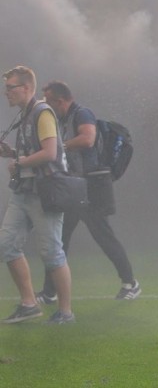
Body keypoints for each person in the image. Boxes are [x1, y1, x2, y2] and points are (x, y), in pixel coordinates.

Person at [36, 81, 140, 302]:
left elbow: (88, 138)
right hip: (76, 187)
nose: (46, 104)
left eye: (48, 100)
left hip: (92, 186)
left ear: (60, 100)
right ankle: (49, 292)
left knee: (102, 235)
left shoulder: (82, 114)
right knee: (59, 239)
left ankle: (131, 283)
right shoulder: (64, 119)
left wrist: (59, 146)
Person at [0, 66, 74, 324]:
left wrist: (19, 163)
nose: (5, 92)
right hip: (24, 192)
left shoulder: (42, 112)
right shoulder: (24, 114)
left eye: (10, 87)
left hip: (45, 193)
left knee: (52, 252)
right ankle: (29, 303)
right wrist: (12, 154)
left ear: (27, 88)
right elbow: (33, 153)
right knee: (7, 244)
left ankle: (65, 312)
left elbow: (50, 153)